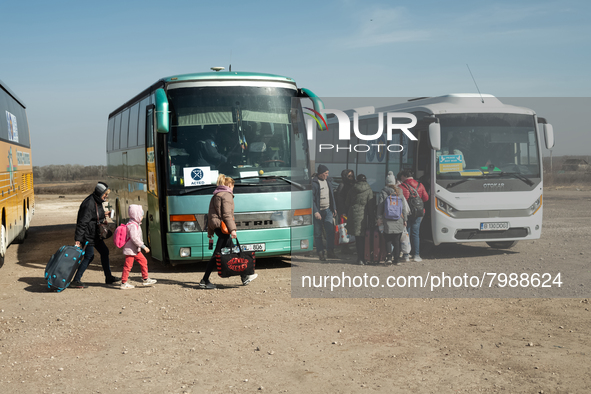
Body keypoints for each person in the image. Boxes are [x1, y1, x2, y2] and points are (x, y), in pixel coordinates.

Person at [200, 174, 257, 289]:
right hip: (224, 228)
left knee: (234, 250)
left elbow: (210, 215)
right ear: (229, 185)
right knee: (217, 254)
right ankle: (204, 280)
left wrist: (210, 232)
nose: (233, 189)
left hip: (218, 228)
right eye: (233, 186)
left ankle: (244, 277)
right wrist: (233, 230)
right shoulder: (227, 195)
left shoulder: (215, 195)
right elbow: (227, 215)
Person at [71, 182, 120, 288]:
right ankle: (76, 280)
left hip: (95, 234)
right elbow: (82, 222)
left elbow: (94, 215)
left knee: (104, 252)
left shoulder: (96, 200)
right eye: (105, 194)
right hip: (87, 235)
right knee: (89, 256)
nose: (106, 196)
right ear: (99, 193)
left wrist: (104, 214)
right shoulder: (89, 203)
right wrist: (78, 239)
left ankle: (108, 277)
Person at [376, 172, 409, 265]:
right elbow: (403, 208)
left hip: (387, 218)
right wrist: (405, 219)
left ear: (386, 182)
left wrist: (378, 217)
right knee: (397, 240)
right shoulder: (399, 192)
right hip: (398, 219)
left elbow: (380, 206)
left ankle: (389, 257)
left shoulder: (383, 192)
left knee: (388, 240)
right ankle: (397, 259)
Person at [120, 205, 156, 289]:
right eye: (141, 215)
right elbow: (134, 238)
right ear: (136, 215)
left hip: (134, 250)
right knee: (128, 266)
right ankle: (123, 282)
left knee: (143, 261)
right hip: (131, 250)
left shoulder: (133, 223)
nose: (142, 217)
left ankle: (145, 278)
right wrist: (143, 246)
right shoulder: (133, 225)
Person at [399, 170, 429, 262]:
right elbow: (426, 198)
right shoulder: (420, 185)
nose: (400, 179)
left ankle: (406, 255)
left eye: (401, 177)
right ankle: (416, 255)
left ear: (404, 176)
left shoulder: (401, 186)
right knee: (416, 234)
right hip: (418, 213)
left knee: (406, 234)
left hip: (406, 214)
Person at [345, 174, 373, 265]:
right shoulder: (368, 190)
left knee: (358, 238)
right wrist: (372, 218)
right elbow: (370, 205)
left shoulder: (352, 189)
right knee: (365, 237)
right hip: (364, 215)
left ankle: (360, 258)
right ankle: (366, 257)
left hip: (354, 214)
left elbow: (347, 202)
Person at [312, 164, 338, 261]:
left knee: (330, 231)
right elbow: (312, 199)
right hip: (318, 211)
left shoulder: (328, 182)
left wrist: (334, 208)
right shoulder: (314, 183)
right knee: (318, 233)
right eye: (325, 173)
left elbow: (332, 196)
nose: (327, 175)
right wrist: (315, 211)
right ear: (321, 173)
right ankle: (321, 253)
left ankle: (330, 251)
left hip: (328, 210)